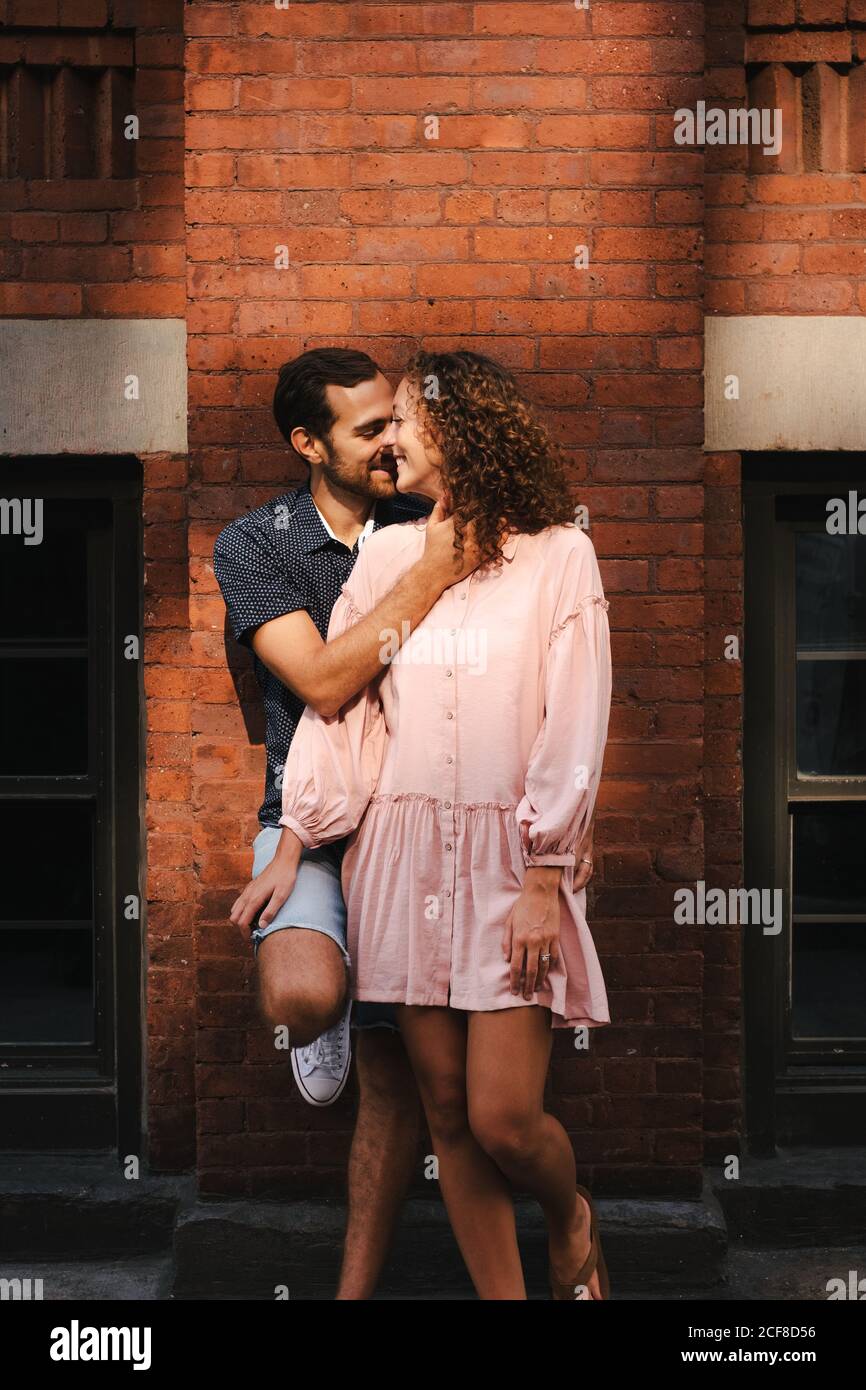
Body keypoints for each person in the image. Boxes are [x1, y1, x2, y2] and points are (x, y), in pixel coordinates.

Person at [275, 350, 613, 1300]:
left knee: (507, 1118)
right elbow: (350, 711)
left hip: (514, 864)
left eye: (408, 423)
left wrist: (547, 872)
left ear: (463, 435)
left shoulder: (560, 554)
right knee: (449, 1114)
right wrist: (300, 833)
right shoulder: (388, 553)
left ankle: (570, 1215)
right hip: (405, 858)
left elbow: (577, 719)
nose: (392, 442)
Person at [213, 347, 481, 1300]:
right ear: (307, 443)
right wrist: (428, 578)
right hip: (312, 817)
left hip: (414, 823)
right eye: (367, 430)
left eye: (393, 423)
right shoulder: (255, 545)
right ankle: (336, 997)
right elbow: (323, 682)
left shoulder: (433, 518)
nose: (389, 443)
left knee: (397, 1082)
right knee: (303, 995)